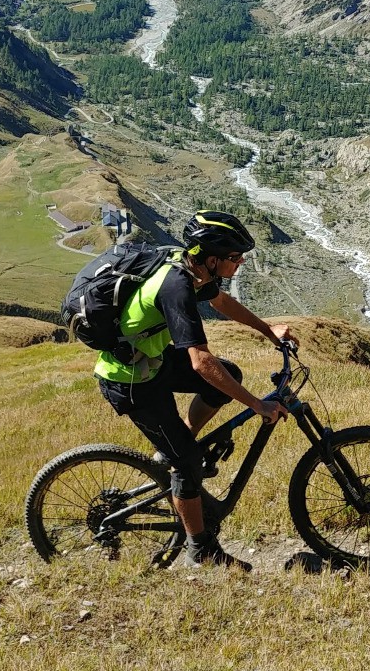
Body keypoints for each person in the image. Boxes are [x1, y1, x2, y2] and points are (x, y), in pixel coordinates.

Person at [93, 209, 294, 570]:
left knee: (228, 375)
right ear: (212, 258)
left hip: (149, 362)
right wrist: (256, 405)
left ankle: (177, 446)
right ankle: (200, 549)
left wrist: (268, 330)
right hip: (131, 381)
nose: (241, 262)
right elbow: (200, 361)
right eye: (235, 257)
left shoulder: (193, 267)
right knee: (187, 463)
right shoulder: (177, 286)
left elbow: (222, 302)